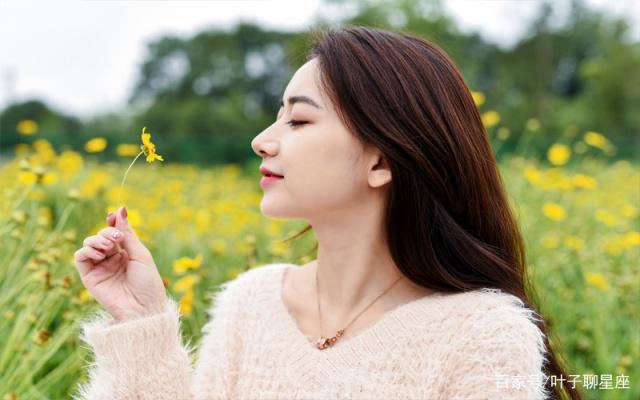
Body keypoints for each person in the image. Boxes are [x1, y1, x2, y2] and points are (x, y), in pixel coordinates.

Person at [73, 26, 581, 400]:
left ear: (380, 161)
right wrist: (141, 318)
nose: (261, 141)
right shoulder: (251, 303)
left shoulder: (483, 333)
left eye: (297, 119)